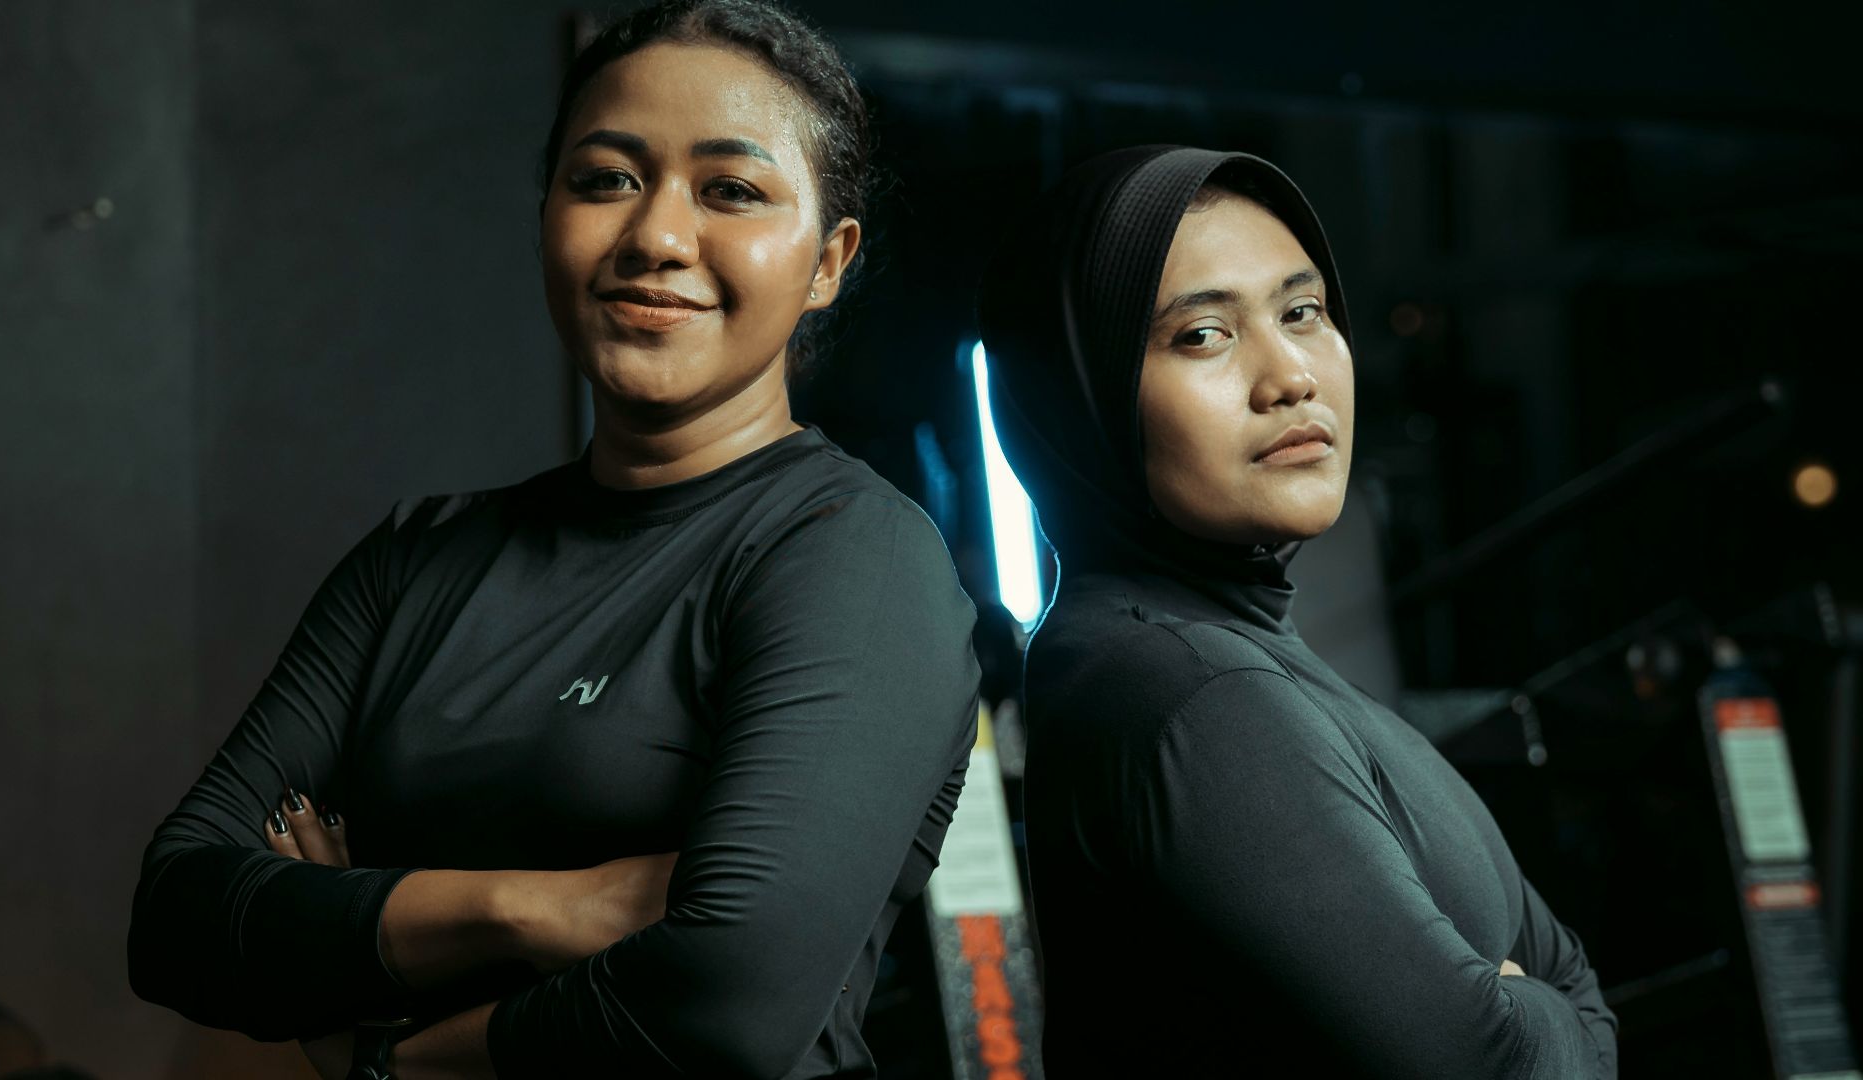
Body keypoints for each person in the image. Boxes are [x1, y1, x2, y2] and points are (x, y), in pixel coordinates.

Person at [127, 3, 981, 1077]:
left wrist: (382, 1043)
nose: (656, 237)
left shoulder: (849, 557)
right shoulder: (417, 561)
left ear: (827, 262)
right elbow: (173, 920)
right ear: (547, 218)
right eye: (606, 179)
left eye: (732, 190)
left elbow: (730, 996)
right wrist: (533, 910)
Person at [976, 145, 1618, 1078]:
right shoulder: (1194, 694)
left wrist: (1539, 1007)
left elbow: (1581, 996)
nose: (1291, 377)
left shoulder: (1221, 653)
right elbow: (1502, 1063)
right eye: (1202, 335)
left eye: (1302, 312)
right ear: (1080, 397)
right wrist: (1537, 1009)